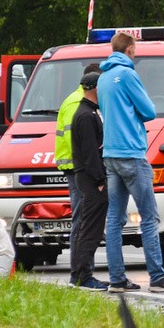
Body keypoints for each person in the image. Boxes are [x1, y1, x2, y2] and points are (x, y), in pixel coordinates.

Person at [98, 32, 164, 292]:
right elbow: (149, 111)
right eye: (134, 49)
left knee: (114, 220)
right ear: (129, 49)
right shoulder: (127, 74)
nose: (135, 53)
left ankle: (117, 279)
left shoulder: (104, 77)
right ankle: (158, 278)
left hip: (111, 155)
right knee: (149, 218)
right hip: (132, 153)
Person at [56, 63, 102, 286]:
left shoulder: (72, 99)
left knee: (82, 220)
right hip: (80, 170)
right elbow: (85, 144)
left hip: (75, 167)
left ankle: (81, 272)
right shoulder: (79, 104)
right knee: (83, 221)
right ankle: (81, 273)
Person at [69, 72, 109, 290]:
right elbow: (90, 152)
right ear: (95, 88)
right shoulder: (86, 115)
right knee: (90, 229)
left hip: (89, 177)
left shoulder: (90, 112)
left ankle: (79, 275)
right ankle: (83, 276)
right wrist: (100, 179)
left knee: (89, 228)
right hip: (90, 178)